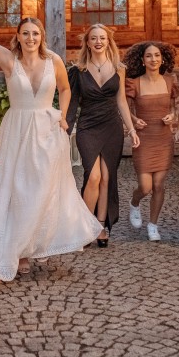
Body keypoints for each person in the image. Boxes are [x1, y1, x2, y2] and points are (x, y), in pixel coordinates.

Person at [0, 5, 103, 280]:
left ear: (42, 37)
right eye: (26, 33)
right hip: (17, 131)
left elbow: (65, 89)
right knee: (19, 189)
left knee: (42, 189)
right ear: (18, 36)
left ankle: (38, 241)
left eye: (35, 34)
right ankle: (21, 252)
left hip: (47, 131)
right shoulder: (9, 60)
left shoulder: (53, 60)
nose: (31, 38)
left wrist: (63, 116)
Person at [66, 24, 140, 247]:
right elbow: (72, 104)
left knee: (107, 178)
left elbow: (121, 102)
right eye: (94, 38)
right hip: (88, 127)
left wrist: (132, 129)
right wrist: (64, 131)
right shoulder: (77, 70)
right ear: (87, 43)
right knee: (94, 176)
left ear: (109, 41)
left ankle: (100, 227)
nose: (98, 42)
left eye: (102, 38)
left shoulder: (119, 68)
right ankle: (84, 227)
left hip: (112, 127)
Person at [122, 41, 179, 242]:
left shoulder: (169, 81)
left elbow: (174, 108)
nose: (153, 59)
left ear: (162, 59)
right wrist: (134, 120)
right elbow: (124, 108)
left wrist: (172, 116)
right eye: (149, 56)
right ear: (142, 60)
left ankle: (153, 225)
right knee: (145, 187)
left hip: (163, 139)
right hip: (143, 139)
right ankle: (134, 202)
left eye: (157, 55)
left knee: (158, 185)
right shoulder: (134, 83)